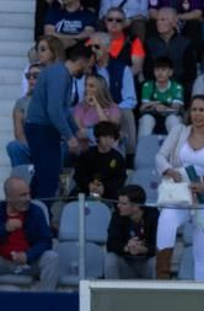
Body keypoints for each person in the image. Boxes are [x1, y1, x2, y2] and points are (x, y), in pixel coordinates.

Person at [153, 94, 204, 281]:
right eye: (194, 109)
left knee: (203, 254)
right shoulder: (179, 131)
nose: (197, 114)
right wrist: (170, 171)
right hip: (179, 191)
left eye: (202, 110)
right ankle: (162, 278)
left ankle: (203, 296)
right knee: (166, 221)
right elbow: (160, 157)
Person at [24, 43, 92, 204]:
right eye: (89, 65)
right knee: (49, 175)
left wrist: (76, 131)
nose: (89, 70)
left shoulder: (61, 74)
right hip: (42, 129)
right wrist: (70, 137)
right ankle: (42, 213)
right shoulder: (60, 75)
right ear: (82, 61)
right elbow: (54, 110)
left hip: (42, 129)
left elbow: (64, 110)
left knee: (44, 174)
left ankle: (34, 211)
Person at [1, 177, 62, 290]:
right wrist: (5, 229)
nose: (28, 199)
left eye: (28, 194)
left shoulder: (35, 211)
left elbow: (46, 241)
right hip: (3, 262)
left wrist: (27, 255)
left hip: (29, 262)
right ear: (9, 198)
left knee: (52, 257)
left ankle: (45, 303)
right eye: (22, 195)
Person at [106, 184, 159, 278]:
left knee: (157, 261)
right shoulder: (117, 216)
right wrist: (127, 247)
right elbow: (111, 244)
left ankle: (159, 292)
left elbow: (159, 246)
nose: (118, 206)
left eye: (123, 204)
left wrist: (143, 249)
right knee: (111, 258)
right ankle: (111, 292)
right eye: (118, 202)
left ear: (136, 206)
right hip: (126, 263)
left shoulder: (153, 216)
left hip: (147, 263)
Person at [71, 121, 127, 200]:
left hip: (109, 194)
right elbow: (79, 174)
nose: (108, 140)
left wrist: (104, 187)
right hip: (86, 191)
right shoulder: (86, 154)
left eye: (111, 137)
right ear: (98, 137)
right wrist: (89, 185)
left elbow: (120, 179)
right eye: (104, 137)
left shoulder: (118, 158)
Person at [144, 6, 196, 87]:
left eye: (163, 20)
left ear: (174, 22)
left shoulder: (186, 43)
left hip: (179, 87)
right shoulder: (150, 43)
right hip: (156, 88)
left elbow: (191, 73)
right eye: (157, 20)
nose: (158, 23)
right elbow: (147, 71)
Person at [138, 55, 185, 139]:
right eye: (157, 70)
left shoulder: (177, 87)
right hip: (153, 116)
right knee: (146, 119)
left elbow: (176, 108)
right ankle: (143, 150)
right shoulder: (147, 85)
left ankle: (177, 150)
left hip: (171, 115)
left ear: (170, 72)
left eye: (163, 70)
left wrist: (156, 105)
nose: (160, 73)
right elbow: (143, 107)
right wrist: (155, 108)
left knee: (173, 119)